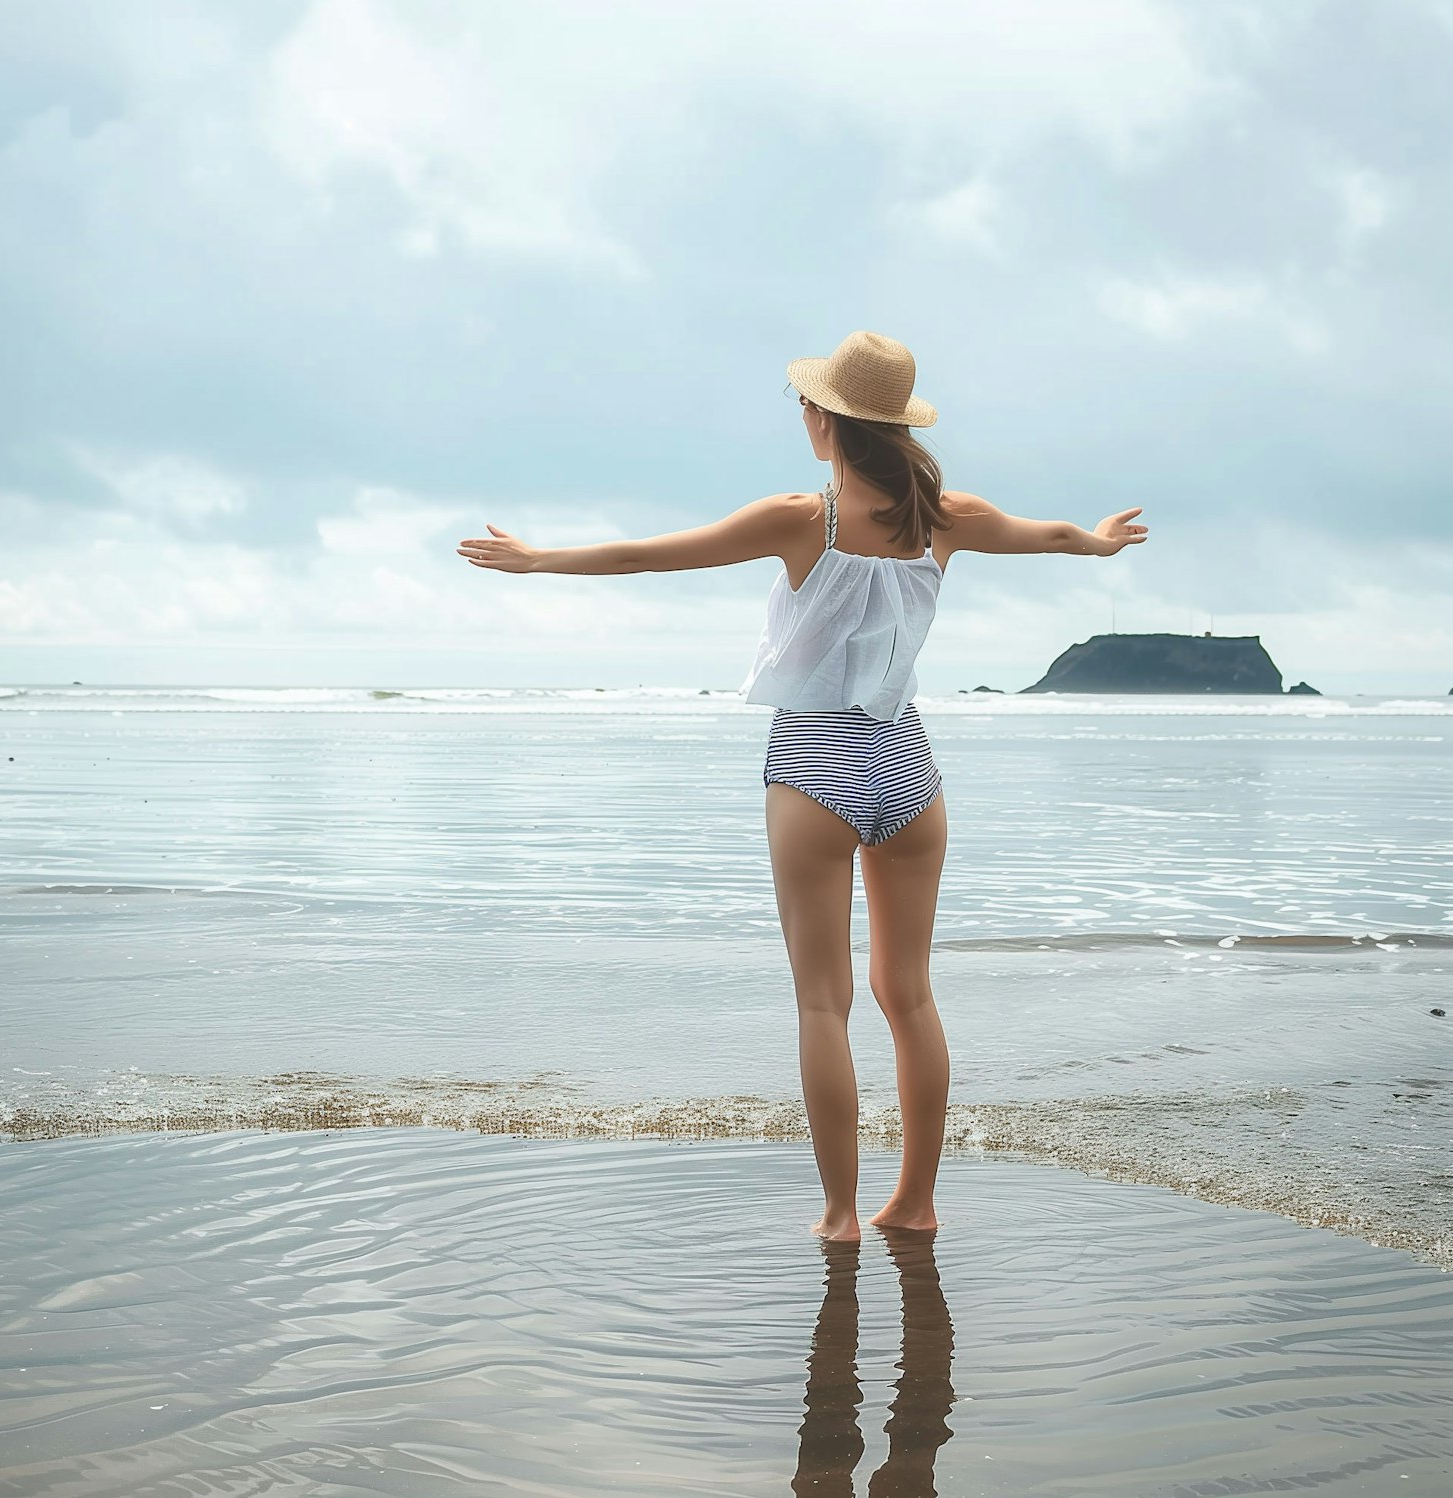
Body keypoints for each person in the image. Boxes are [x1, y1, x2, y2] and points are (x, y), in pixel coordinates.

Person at [457, 330, 1147, 1243]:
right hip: (908, 764)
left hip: (815, 764)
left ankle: (840, 1214)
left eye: (806, 406)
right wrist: (1098, 546)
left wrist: (541, 560)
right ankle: (918, 1200)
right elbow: (1051, 537)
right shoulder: (946, 516)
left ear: (826, 418)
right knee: (911, 994)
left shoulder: (803, 518)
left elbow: (648, 556)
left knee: (824, 1001)